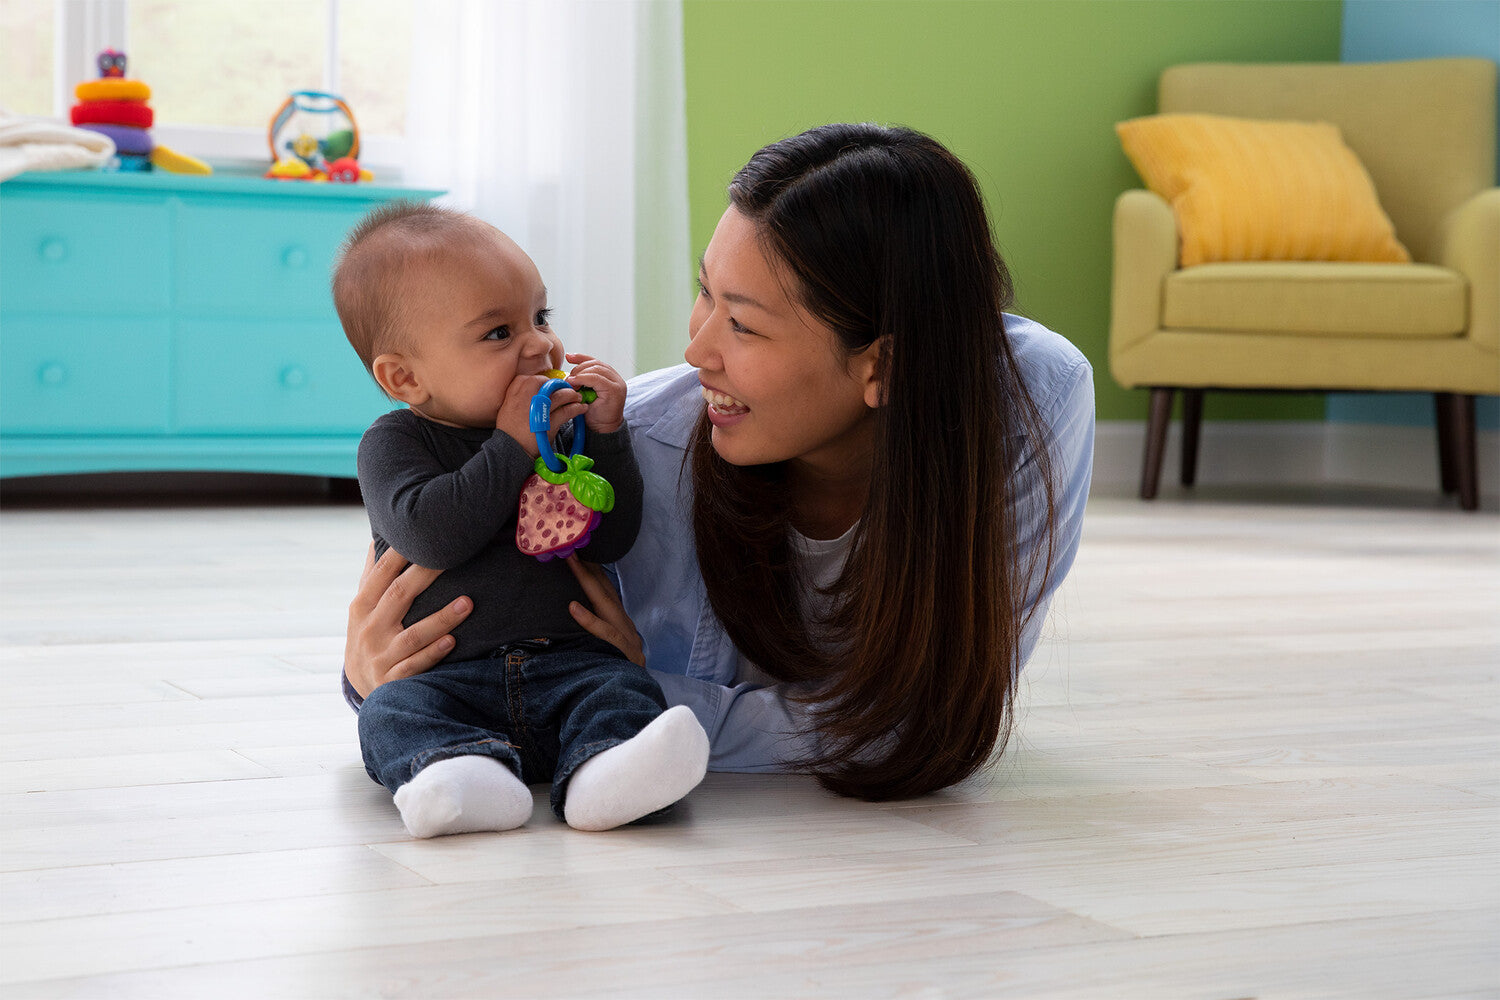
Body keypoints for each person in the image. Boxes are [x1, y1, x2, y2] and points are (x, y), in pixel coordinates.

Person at [344, 123, 1094, 802]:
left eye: (742, 323)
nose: (695, 349)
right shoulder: (640, 437)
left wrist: (647, 696)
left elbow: (918, 722)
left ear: (884, 366)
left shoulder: (1031, 401)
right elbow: (474, 629)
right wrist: (372, 677)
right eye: (705, 292)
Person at [331, 203, 709, 837]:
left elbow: (612, 541)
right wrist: (511, 447)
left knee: (625, 688)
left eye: (541, 316)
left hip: (571, 666)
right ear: (406, 377)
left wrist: (607, 436)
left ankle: (604, 777)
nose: (540, 344)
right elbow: (433, 536)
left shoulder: (562, 434)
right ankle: (460, 776)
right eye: (498, 333)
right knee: (390, 712)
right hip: (448, 681)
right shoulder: (394, 443)